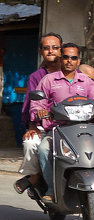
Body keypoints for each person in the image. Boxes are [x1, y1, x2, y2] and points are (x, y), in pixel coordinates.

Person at [30, 43, 94, 202]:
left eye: (73, 58)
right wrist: (39, 112)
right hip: (58, 130)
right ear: (60, 59)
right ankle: (51, 187)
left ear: (78, 61)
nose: (69, 61)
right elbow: (37, 104)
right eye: (66, 57)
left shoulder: (85, 81)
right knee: (43, 149)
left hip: (86, 128)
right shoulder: (48, 80)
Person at [14, 32, 62, 195]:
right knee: (30, 143)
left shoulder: (72, 73)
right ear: (41, 51)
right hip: (45, 124)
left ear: (61, 50)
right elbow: (31, 103)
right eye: (46, 48)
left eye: (55, 48)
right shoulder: (37, 77)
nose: (51, 51)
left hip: (70, 124)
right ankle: (35, 176)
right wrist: (32, 125)